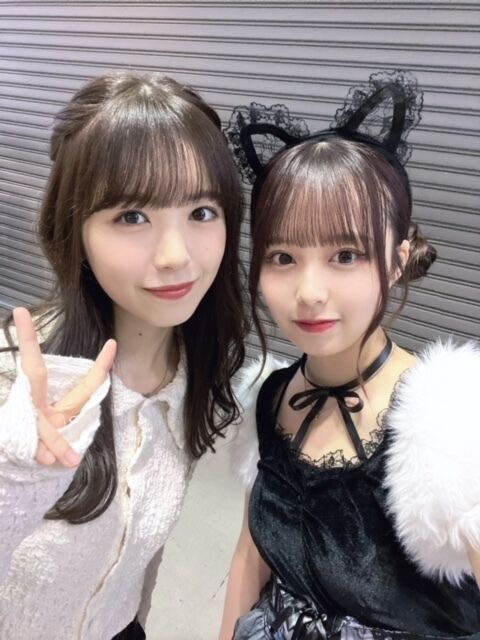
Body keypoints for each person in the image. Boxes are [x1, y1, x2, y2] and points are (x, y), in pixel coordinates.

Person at [220, 71, 480, 639]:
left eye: (345, 254)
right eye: (283, 257)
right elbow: (249, 558)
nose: (309, 292)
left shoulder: (451, 422)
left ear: (398, 259)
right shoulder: (270, 398)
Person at [0, 71, 247, 639]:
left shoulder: (196, 373)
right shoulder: (17, 378)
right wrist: (15, 481)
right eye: (132, 216)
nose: (176, 255)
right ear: (76, 233)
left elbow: (138, 570)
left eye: (201, 211)